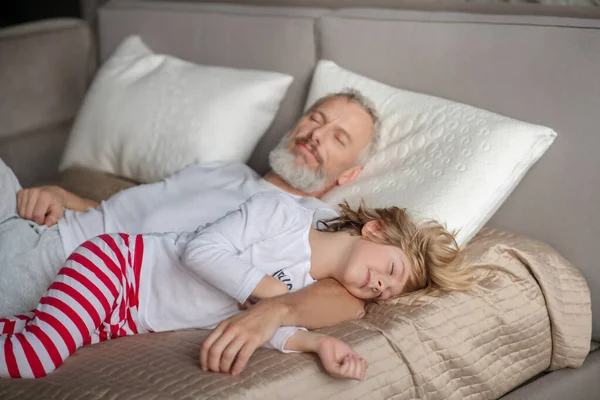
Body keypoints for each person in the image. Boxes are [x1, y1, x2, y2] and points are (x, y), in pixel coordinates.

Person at [0, 89, 377, 374]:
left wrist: (276, 312)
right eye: (316, 118)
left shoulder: (311, 219)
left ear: (349, 176)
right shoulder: (223, 170)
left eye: (338, 138)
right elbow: (132, 213)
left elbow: (349, 294)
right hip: (38, 220)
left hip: (69, 270)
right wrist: (63, 195)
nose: (316, 135)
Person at [0, 192, 471, 379]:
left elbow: (267, 325)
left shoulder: (308, 289)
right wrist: (275, 298)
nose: (379, 287)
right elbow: (200, 253)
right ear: (374, 230)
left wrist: (317, 344)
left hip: (130, 316)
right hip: (119, 267)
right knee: (35, 358)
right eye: (389, 269)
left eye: (387, 292)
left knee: (22, 331)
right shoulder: (282, 216)